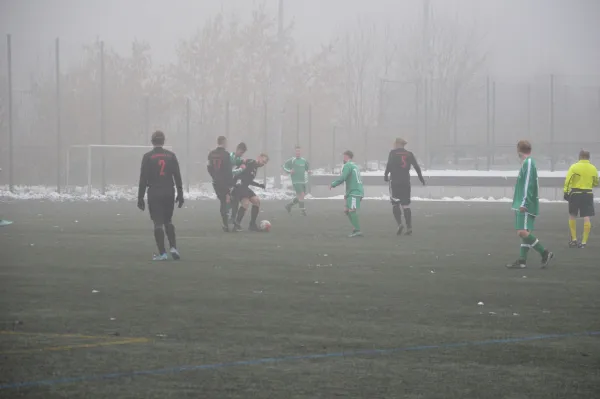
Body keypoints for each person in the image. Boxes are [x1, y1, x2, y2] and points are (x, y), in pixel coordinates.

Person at [506, 140, 553, 269]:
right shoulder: (528, 163)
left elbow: (528, 184)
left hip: (525, 204)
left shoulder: (528, 162)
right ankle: (522, 260)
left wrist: (523, 202)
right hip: (525, 202)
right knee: (525, 232)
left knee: (522, 232)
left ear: (518, 150)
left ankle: (545, 252)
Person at [138, 131, 184, 261]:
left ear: (152, 142)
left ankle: (163, 253)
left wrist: (140, 197)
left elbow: (143, 178)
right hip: (169, 191)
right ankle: (174, 248)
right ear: (163, 141)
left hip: (154, 192)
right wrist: (180, 194)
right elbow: (177, 176)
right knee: (168, 221)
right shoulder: (171, 156)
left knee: (158, 223)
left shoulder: (147, 157)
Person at [384, 138, 425, 236]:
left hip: (395, 181)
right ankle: (409, 227)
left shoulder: (393, 153)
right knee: (405, 205)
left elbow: (389, 165)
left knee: (395, 203)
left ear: (397, 144)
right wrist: (421, 179)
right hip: (406, 181)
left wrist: (385, 175)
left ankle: (399, 224)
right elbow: (416, 167)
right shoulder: (409, 154)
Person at [564, 150, 598, 248]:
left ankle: (574, 239)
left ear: (579, 156)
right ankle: (583, 242)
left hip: (575, 193)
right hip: (588, 193)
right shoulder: (593, 168)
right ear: (589, 157)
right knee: (586, 216)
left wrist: (566, 192)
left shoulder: (574, 167)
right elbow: (596, 182)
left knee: (572, 215)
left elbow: (568, 180)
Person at [330, 150, 364, 237]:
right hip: (354, 191)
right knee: (347, 210)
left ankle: (357, 230)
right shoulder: (354, 165)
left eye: (344, 156)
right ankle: (355, 228)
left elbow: (343, 178)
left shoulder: (347, 165)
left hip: (354, 192)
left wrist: (333, 184)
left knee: (352, 210)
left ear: (347, 157)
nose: (343, 158)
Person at [232, 153, 269, 232]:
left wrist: (259, 185)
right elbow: (237, 170)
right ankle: (236, 225)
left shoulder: (255, 167)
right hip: (239, 186)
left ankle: (252, 225)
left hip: (244, 187)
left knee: (256, 201)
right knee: (245, 203)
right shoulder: (250, 162)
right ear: (258, 157)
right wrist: (234, 183)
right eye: (263, 161)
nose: (263, 163)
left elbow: (249, 180)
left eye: (265, 163)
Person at [207, 136, 235, 232]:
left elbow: (209, 167)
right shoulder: (226, 155)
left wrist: (214, 176)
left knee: (224, 200)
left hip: (216, 182)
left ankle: (226, 222)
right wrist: (231, 184)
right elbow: (228, 170)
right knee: (226, 200)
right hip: (224, 182)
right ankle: (226, 223)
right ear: (224, 142)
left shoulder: (211, 154)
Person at [283, 145, 311, 215]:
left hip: (303, 180)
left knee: (301, 196)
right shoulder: (292, 160)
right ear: (294, 152)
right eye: (296, 151)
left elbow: (307, 169)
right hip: (296, 181)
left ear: (301, 151)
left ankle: (289, 205)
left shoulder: (304, 160)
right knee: (301, 194)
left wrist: (309, 171)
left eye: (299, 151)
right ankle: (302, 210)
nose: (298, 152)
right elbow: (284, 166)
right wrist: (290, 171)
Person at [229, 142, 248, 224]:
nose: (241, 155)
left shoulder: (237, 159)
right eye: (241, 152)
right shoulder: (230, 157)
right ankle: (229, 218)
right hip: (224, 181)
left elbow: (241, 161)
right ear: (237, 149)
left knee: (235, 198)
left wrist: (244, 162)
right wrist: (241, 169)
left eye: (243, 153)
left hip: (230, 182)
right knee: (229, 200)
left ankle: (232, 218)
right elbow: (230, 172)